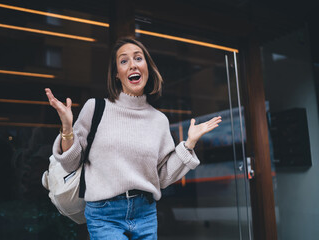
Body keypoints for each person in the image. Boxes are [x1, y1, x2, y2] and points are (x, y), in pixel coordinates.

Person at [45, 38, 222, 239]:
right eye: (124, 61)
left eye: (138, 58)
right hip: (104, 213)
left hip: (145, 213)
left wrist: (189, 143)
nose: (132, 65)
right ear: (116, 74)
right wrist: (67, 128)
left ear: (147, 67)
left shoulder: (159, 120)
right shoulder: (95, 108)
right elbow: (70, 163)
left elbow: (162, 177)